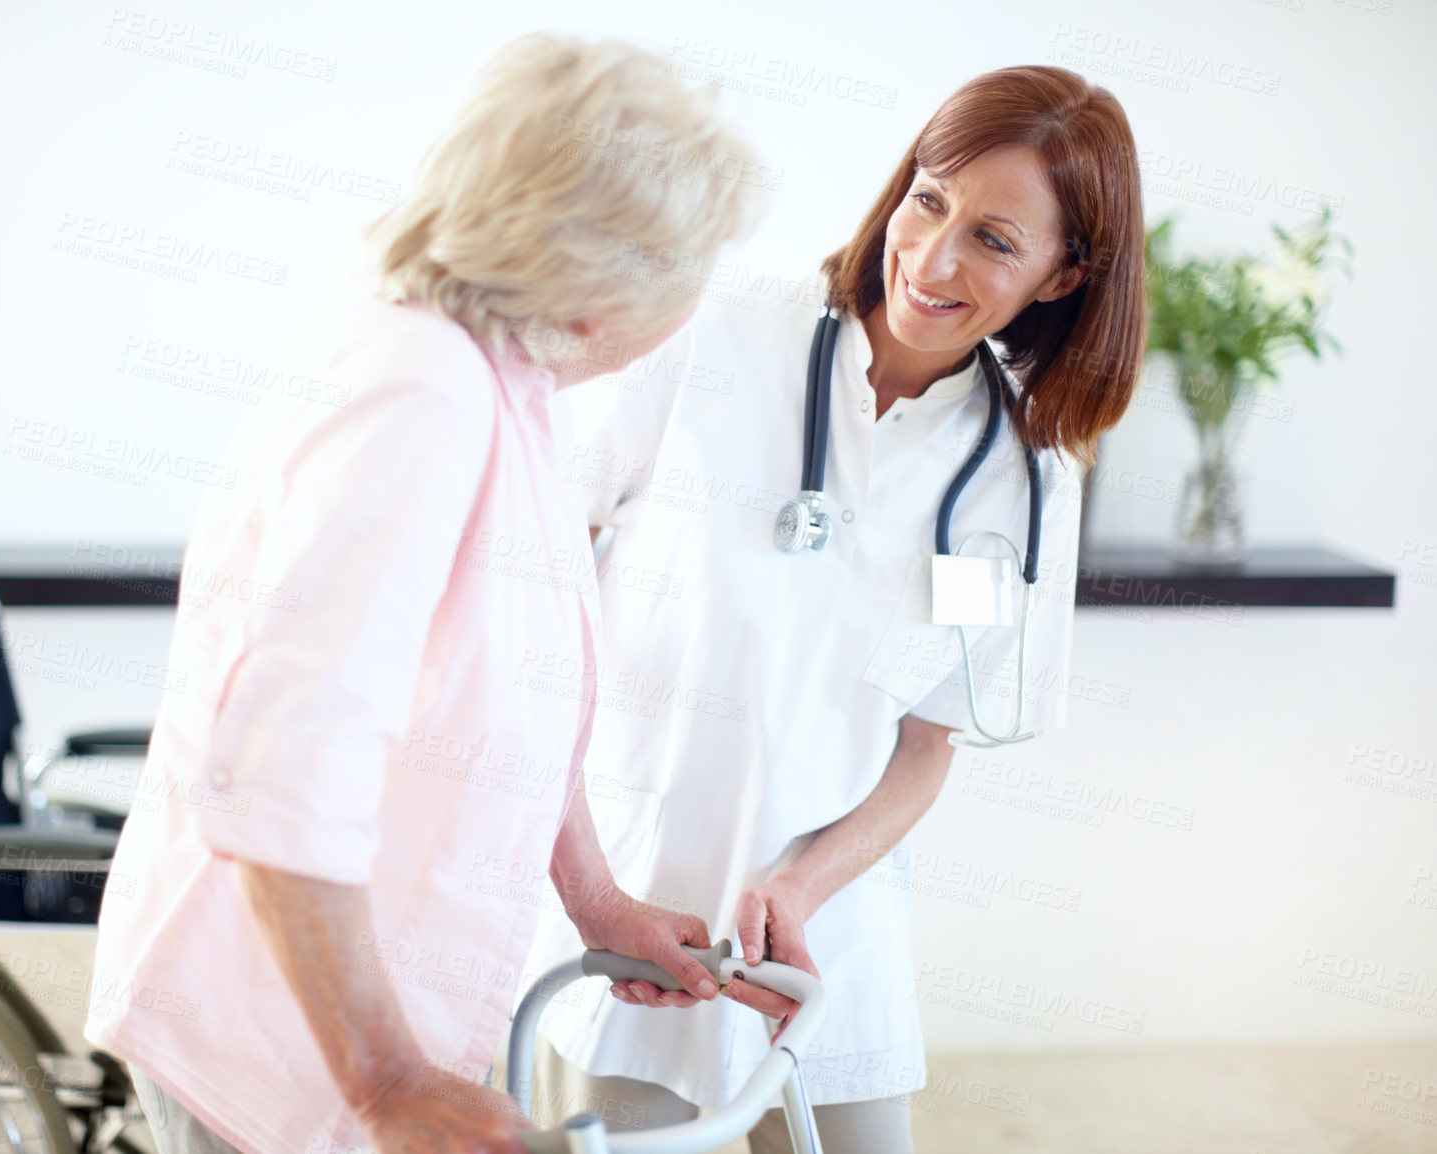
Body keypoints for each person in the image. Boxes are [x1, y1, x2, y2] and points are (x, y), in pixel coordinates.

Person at [84, 34, 762, 1154]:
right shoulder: (418, 395)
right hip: (286, 1036)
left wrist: (596, 901)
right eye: (696, 267)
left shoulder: (499, 371)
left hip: (390, 991)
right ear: (600, 294)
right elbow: (281, 769)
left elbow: (515, 704)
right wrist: (387, 1079)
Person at [526, 65, 1146, 1153]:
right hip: (630, 910)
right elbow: (534, 579)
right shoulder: (709, 331)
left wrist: (802, 880)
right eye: (929, 198)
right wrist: (572, 861)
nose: (935, 256)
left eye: (996, 240)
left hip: (825, 940)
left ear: (1063, 276)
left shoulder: (1027, 472)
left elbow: (925, 742)